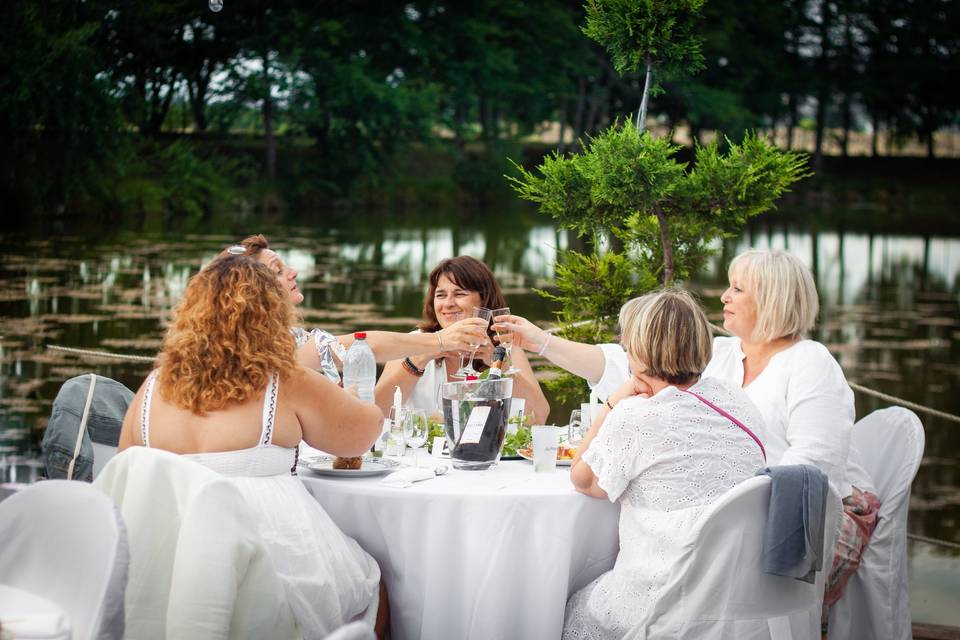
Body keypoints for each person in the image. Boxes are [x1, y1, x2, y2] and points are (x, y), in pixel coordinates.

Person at [497, 249, 877, 632]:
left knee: (580, 595)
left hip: (784, 523)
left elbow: (815, 464)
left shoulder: (811, 362)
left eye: (737, 288)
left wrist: (727, 496)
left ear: (772, 299)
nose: (724, 296)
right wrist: (541, 342)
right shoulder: (724, 356)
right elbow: (628, 365)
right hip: (717, 528)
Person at [117, 253, 389, 640]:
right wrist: (358, 395)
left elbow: (125, 468)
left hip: (163, 569)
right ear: (271, 314)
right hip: (267, 563)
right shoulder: (284, 379)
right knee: (372, 582)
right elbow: (363, 433)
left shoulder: (153, 386)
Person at [563, 288, 768, 638]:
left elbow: (582, 480)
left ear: (638, 351)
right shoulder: (736, 398)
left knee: (570, 605)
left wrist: (612, 404)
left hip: (663, 599)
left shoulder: (636, 415)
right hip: (740, 597)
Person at [226, 234, 489, 383]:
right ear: (252, 292)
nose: (293, 273)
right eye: (279, 270)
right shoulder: (255, 347)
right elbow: (365, 345)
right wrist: (440, 340)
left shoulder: (284, 338)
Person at [375, 255, 549, 424]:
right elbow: (376, 414)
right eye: (441, 295)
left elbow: (538, 418)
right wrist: (419, 358)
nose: (448, 303)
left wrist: (498, 364)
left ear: (483, 299)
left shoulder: (503, 347)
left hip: (483, 453)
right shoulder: (413, 343)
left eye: (459, 293)